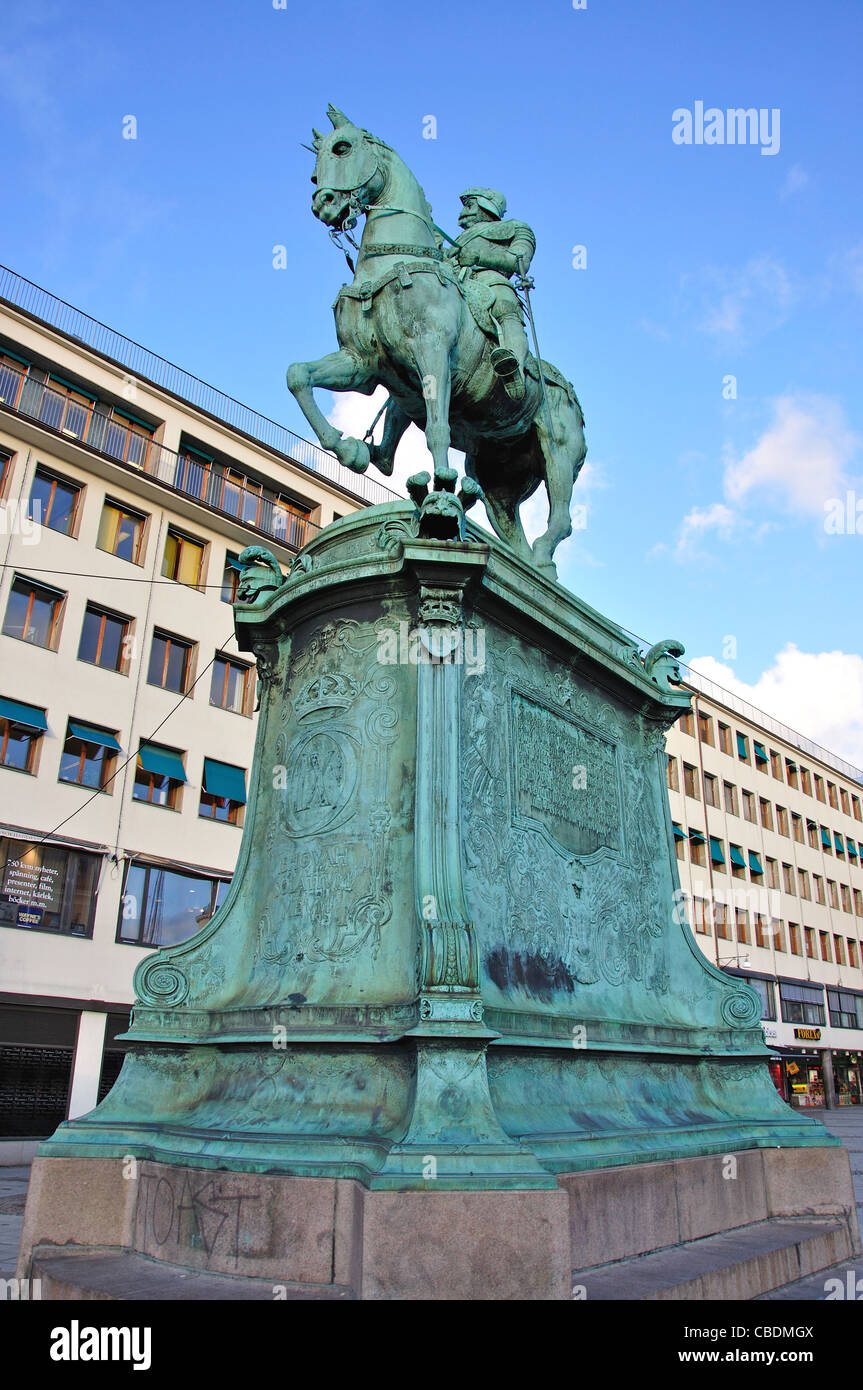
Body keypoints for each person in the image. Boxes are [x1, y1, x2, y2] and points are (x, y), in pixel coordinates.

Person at [446, 188, 535, 400]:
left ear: (488, 206)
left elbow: (520, 260)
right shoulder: (456, 239)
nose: (463, 212)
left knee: (505, 308)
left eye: (469, 205)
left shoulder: (516, 228)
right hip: (455, 282)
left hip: (491, 280)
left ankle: (514, 367)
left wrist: (479, 256)